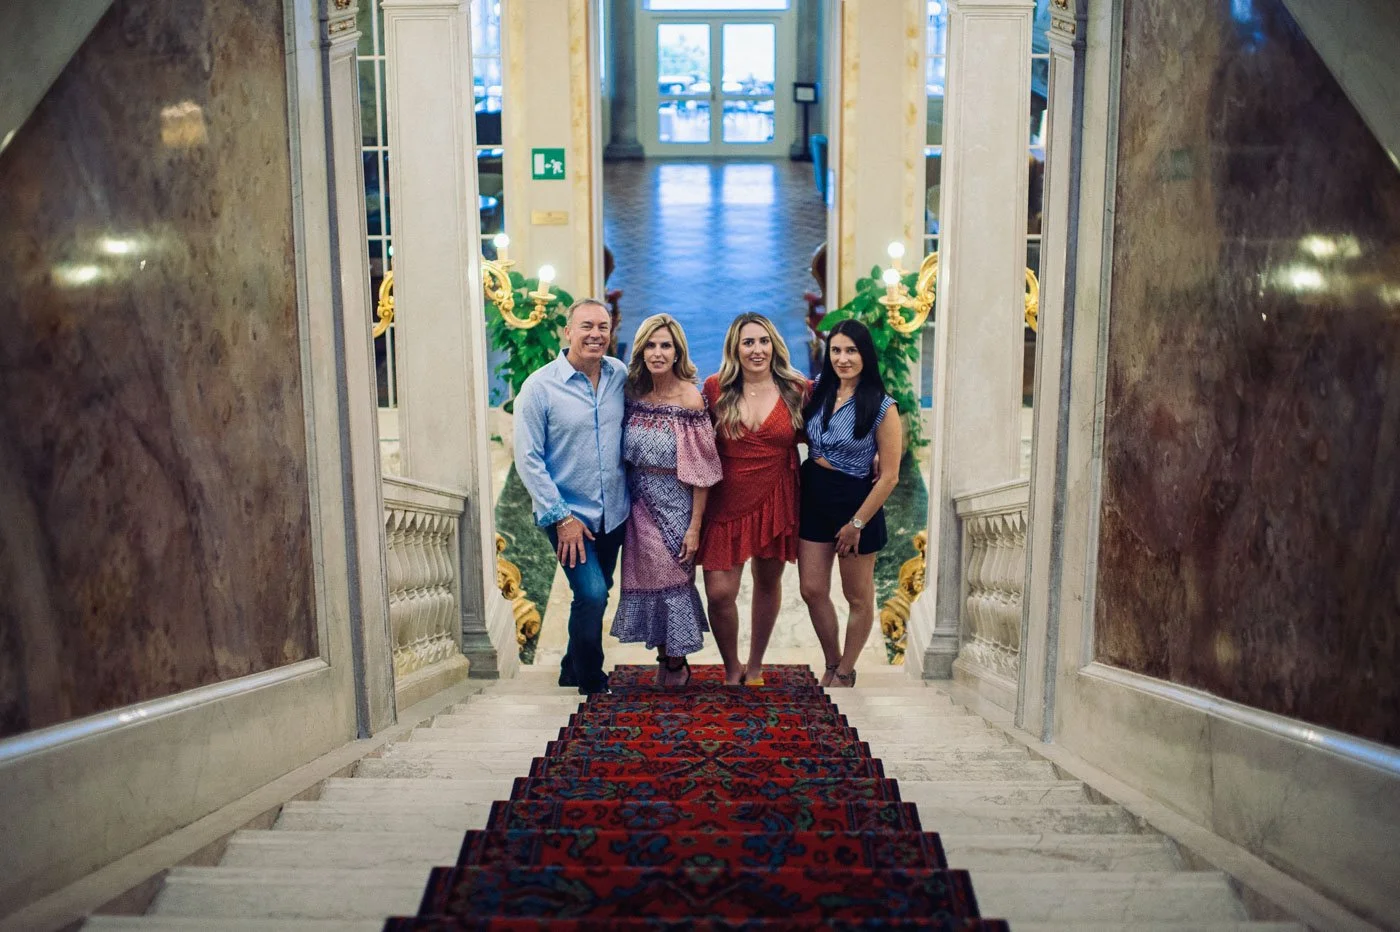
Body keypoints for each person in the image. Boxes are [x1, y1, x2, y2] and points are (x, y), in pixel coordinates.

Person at [513, 298, 627, 696]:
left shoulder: (619, 376)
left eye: (602, 326)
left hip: (612, 512)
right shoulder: (539, 388)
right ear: (568, 331)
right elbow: (527, 459)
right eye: (586, 326)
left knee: (597, 591)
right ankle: (592, 680)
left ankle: (569, 666)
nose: (595, 334)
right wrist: (562, 517)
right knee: (592, 593)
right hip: (566, 514)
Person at [698, 313, 809, 686]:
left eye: (763, 341)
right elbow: (691, 439)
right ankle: (731, 667)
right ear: (736, 348)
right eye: (748, 342)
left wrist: (872, 454)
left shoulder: (797, 389)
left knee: (767, 581)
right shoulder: (715, 389)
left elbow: (830, 430)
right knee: (719, 593)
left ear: (774, 344)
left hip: (776, 495)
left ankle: (756, 665)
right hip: (725, 501)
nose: (757, 349)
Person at [612, 315, 722, 686]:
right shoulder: (631, 393)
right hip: (637, 506)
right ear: (641, 350)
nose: (658, 353)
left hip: (675, 508)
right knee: (649, 584)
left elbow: (704, 472)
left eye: (666, 346)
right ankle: (666, 658)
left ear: (678, 352)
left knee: (672, 582)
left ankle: (676, 663)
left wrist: (694, 527)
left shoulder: (690, 399)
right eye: (651, 345)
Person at [798, 318, 902, 688]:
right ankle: (831, 659)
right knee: (811, 588)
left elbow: (890, 475)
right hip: (813, 495)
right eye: (836, 350)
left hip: (857, 503)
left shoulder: (882, 406)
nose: (843, 358)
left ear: (865, 355)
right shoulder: (817, 392)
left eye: (851, 351)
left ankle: (846, 670)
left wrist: (856, 523)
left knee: (856, 595)